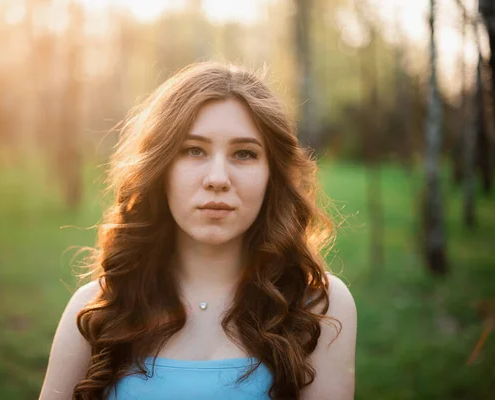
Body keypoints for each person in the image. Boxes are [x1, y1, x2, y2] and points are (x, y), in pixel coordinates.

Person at [39, 62, 357, 400]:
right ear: (160, 168)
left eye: (244, 154)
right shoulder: (93, 311)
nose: (217, 178)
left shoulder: (321, 308)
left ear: (271, 175)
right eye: (194, 150)